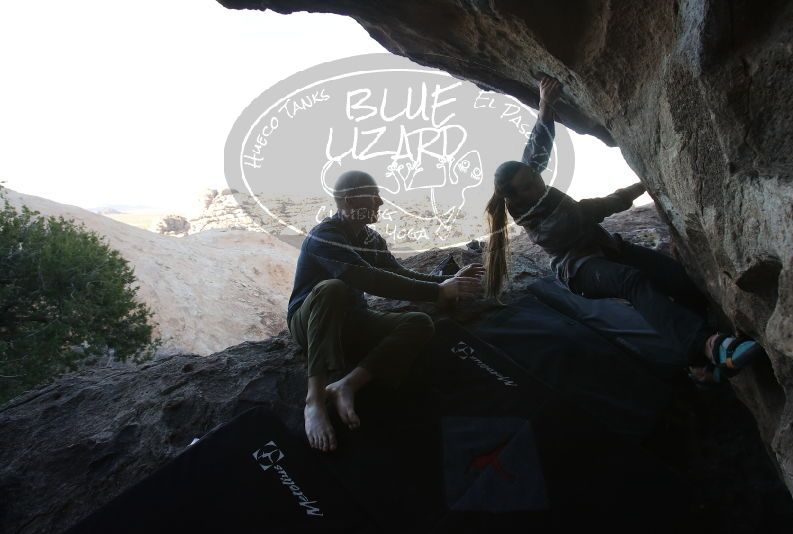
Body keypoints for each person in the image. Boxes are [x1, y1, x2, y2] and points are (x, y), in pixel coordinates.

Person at [483, 75, 765, 385]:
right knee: (632, 281)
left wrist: (544, 105)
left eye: (534, 176)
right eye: (529, 184)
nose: (538, 180)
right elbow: (592, 210)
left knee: (679, 280)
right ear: (515, 196)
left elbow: (537, 150)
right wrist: (640, 187)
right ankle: (712, 346)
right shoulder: (539, 221)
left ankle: (700, 366)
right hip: (581, 269)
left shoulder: (525, 184)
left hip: (608, 249)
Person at [287, 170, 485, 452]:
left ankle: (347, 385)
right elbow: (367, 279)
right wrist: (437, 292)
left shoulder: (370, 239)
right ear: (348, 200)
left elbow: (395, 273)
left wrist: (447, 283)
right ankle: (315, 400)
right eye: (373, 195)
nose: (380, 202)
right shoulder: (324, 236)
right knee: (333, 288)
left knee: (419, 323)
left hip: (353, 322)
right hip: (309, 323)